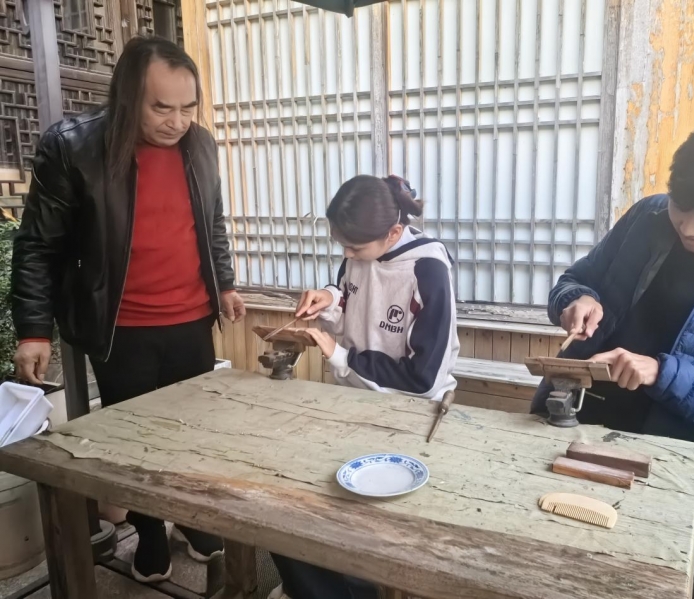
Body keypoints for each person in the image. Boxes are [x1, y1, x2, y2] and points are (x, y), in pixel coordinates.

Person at [533, 113, 694, 599]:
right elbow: (575, 279)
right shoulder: (649, 217)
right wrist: (576, 299)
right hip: (569, 429)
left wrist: (665, 374)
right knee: (538, 571)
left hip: (674, 467)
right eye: (681, 205)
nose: (689, 229)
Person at [11, 37, 245, 583]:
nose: (177, 122)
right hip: (122, 326)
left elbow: (210, 221)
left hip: (192, 317)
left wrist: (225, 284)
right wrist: (33, 329)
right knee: (137, 442)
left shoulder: (199, 144)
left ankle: (193, 521)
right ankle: (150, 531)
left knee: (193, 430)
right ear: (127, 96)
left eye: (188, 107)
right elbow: (38, 245)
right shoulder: (73, 147)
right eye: (161, 107)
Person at [269, 174, 460, 599]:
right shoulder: (358, 251)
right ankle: (330, 585)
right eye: (342, 245)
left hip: (412, 416)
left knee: (372, 523)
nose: (347, 254)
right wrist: (329, 299)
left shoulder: (427, 268)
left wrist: (341, 355)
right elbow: (351, 295)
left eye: (354, 248)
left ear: (393, 232)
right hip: (352, 401)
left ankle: (348, 587)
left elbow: (423, 378)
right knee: (303, 500)